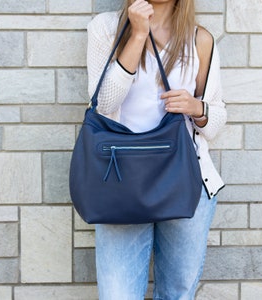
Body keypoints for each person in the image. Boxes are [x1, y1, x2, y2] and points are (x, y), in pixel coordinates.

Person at [86, 0, 227, 299]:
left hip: (185, 181)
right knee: (118, 295)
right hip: (120, 184)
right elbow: (103, 105)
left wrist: (196, 107)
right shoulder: (107, 29)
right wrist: (138, 35)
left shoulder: (199, 39)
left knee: (177, 294)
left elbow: (215, 122)